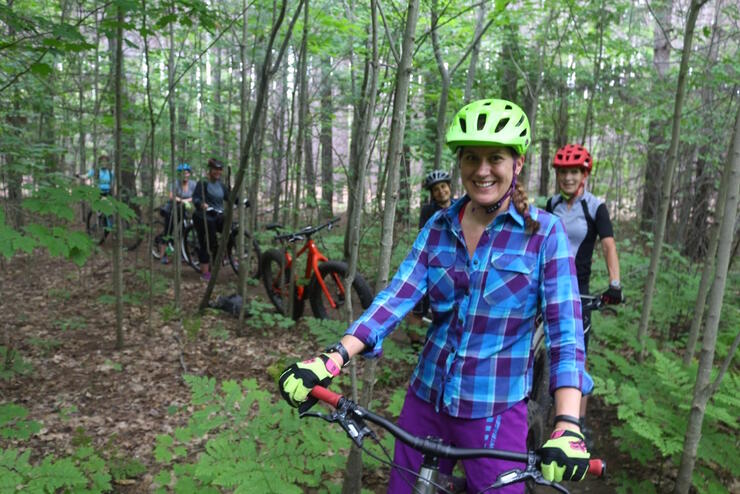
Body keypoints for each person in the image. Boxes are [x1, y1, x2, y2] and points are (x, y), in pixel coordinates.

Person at [279, 99, 592, 493]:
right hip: (426, 400)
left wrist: (567, 423)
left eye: (494, 157)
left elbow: (566, 332)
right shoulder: (440, 227)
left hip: (492, 410)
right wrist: (332, 357)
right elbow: (395, 298)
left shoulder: (544, 234)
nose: (481, 170)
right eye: (471, 158)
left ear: (518, 163)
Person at [546, 143, 623, 446]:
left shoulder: (595, 206)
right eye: (563, 172)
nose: (568, 177)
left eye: (574, 171)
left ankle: (576, 422)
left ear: (584, 174)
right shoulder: (550, 204)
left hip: (578, 292)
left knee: (576, 354)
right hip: (545, 287)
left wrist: (615, 284)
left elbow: (608, 245)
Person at [409, 170, 455, 325]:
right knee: (420, 304)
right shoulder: (428, 211)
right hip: (432, 262)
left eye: (443, 186)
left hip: (456, 263)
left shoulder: (460, 207)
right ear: (432, 194)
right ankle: (414, 345)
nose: (441, 191)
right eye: (436, 189)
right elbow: (423, 237)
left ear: (449, 186)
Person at [192, 158, 230, 281]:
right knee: (207, 241)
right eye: (215, 169)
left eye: (220, 170)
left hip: (217, 215)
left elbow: (230, 197)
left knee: (230, 227)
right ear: (210, 170)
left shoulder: (221, 185)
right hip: (203, 216)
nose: (218, 172)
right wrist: (203, 205)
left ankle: (226, 255)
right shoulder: (203, 183)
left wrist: (243, 201)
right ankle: (205, 273)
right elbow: (196, 199)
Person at [159, 163, 196, 264]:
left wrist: (187, 201)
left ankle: (183, 253)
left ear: (189, 173)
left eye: (187, 172)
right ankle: (163, 255)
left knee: (183, 232)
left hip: (185, 211)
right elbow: (171, 196)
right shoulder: (175, 183)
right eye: (182, 173)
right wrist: (183, 200)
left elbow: (196, 195)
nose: (185, 175)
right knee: (168, 231)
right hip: (172, 210)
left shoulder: (193, 184)